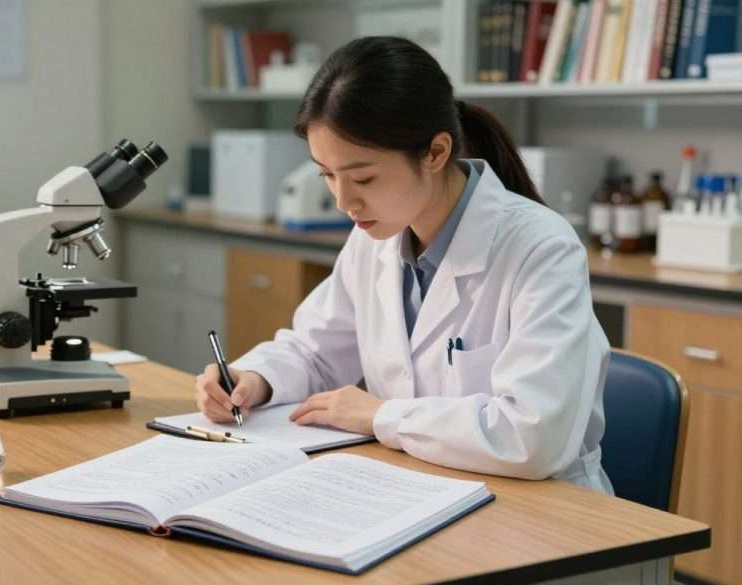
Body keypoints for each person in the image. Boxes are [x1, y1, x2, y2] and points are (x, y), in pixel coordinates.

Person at [194, 36, 613, 493]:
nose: (343, 200)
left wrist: (381, 416)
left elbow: (534, 436)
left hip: (542, 512)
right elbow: (315, 351)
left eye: (363, 178)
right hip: (416, 486)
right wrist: (255, 379)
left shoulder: (541, 247)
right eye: (327, 174)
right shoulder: (374, 237)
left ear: (435, 153)